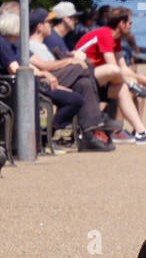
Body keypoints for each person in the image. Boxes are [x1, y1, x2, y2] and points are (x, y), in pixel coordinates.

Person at [25, 8, 114, 151]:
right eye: (49, 22)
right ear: (40, 26)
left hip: (58, 78)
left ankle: (88, 134)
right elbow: (45, 67)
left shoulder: (44, 45)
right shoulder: (29, 46)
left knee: (84, 83)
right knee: (82, 68)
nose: (52, 26)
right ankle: (98, 114)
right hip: (45, 82)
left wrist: (71, 59)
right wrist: (71, 61)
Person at [72, 7, 146, 143]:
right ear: (122, 24)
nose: (131, 26)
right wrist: (132, 81)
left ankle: (140, 132)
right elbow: (114, 68)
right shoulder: (105, 34)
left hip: (95, 77)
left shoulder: (116, 39)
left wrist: (141, 79)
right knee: (114, 72)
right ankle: (117, 127)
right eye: (130, 23)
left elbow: (123, 67)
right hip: (79, 75)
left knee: (124, 87)